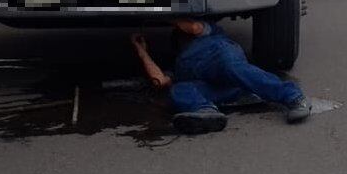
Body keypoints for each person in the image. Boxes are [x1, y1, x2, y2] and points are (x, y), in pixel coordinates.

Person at [130, 19, 311, 135]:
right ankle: (205, 112)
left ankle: (294, 97)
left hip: (221, 60)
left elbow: (193, 27)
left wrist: (154, 13)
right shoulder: (177, 63)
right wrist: (142, 52)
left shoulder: (209, 32)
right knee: (178, 89)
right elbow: (160, 80)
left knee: (232, 68)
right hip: (221, 89)